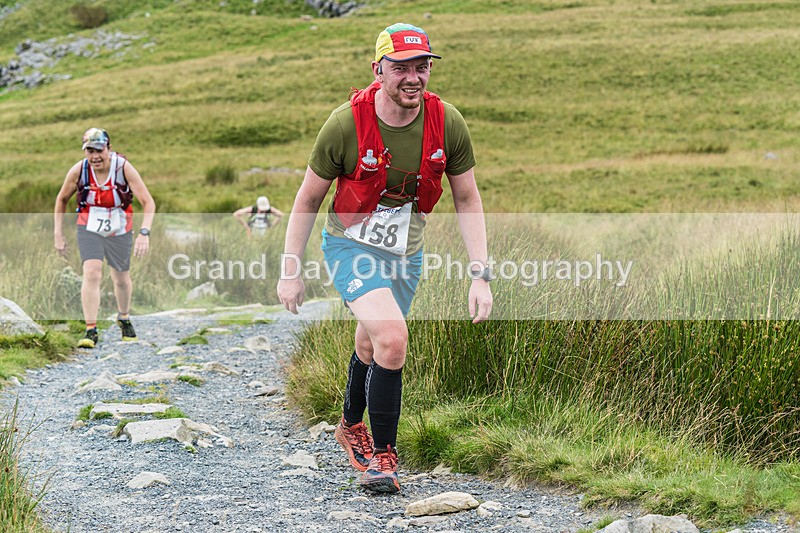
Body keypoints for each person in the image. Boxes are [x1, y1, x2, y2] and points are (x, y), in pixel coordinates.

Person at [276, 23, 493, 494]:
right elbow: (308, 199)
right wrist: (290, 269)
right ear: (378, 70)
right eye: (401, 68)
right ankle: (384, 458)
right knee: (393, 339)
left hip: (406, 252)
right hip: (350, 245)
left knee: (372, 344)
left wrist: (481, 274)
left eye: (422, 67)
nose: (413, 77)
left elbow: (467, 197)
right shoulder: (345, 125)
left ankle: (349, 425)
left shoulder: (447, 122)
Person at [54, 128, 156, 349]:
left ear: (108, 148)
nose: (95, 156)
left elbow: (148, 202)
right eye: (90, 151)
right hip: (89, 226)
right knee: (92, 273)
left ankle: (124, 318)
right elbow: (61, 199)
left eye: (99, 150)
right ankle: (91, 329)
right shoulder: (79, 170)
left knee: (120, 278)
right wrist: (58, 234)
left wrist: (144, 233)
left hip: (120, 227)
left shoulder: (123, 168)